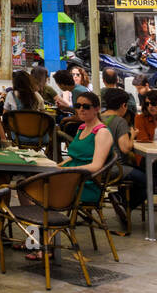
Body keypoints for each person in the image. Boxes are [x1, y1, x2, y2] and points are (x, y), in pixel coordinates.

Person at [59, 91, 113, 209]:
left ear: (97, 109)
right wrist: (58, 166)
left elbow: (96, 166)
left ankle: (41, 223)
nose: (81, 109)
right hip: (71, 177)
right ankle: (40, 223)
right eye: (78, 106)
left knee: (40, 187)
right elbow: (74, 156)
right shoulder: (82, 127)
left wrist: (68, 170)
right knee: (34, 182)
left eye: (86, 106)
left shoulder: (102, 132)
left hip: (85, 183)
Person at [102, 88, 147, 223]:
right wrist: (132, 135)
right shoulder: (119, 121)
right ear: (123, 105)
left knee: (141, 180)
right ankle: (123, 202)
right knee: (149, 181)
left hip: (99, 167)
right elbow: (125, 148)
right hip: (116, 168)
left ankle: (121, 200)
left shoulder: (99, 117)